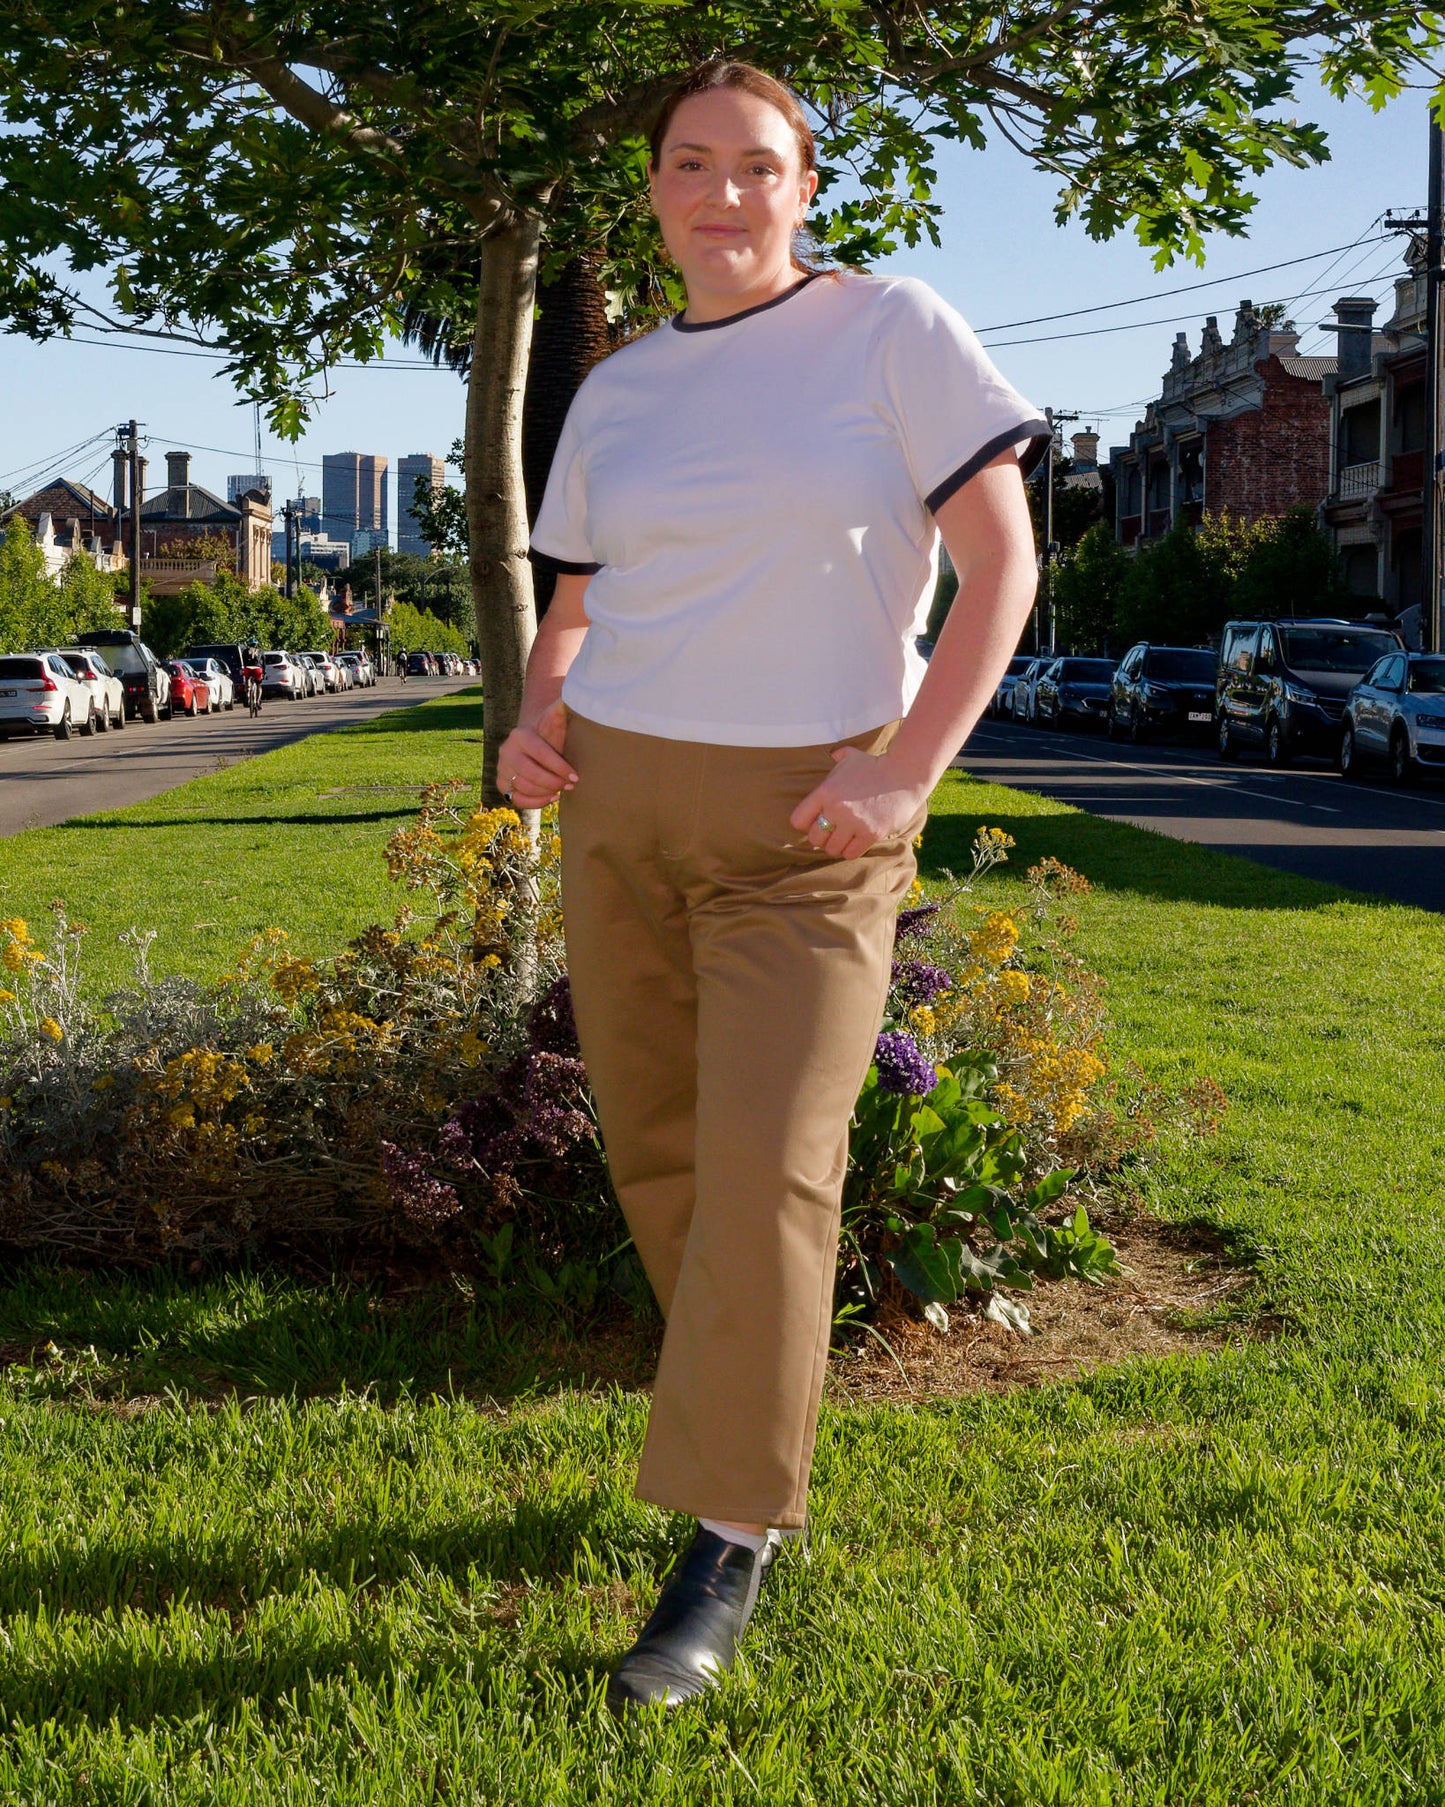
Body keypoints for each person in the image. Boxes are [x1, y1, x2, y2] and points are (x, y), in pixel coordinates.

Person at [495, 59, 1045, 1714]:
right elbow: (579, 600)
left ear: (804, 186)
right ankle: (745, 1430)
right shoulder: (616, 389)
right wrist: (533, 714)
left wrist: (901, 774)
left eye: (755, 165)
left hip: (809, 816)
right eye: (689, 164)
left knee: (767, 1168)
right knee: (659, 1152)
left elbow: (1000, 562)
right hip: (615, 798)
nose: (721, 193)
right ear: (651, 192)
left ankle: (726, 1533)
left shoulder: (891, 331)